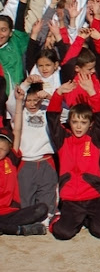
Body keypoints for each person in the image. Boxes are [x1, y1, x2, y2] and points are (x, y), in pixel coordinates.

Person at [47, 76, 100, 240]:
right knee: (63, 233)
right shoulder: (63, 140)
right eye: (75, 122)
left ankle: (88, 219)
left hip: (94, 195)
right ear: (69, 122)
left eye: (83, 123)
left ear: (89, 124)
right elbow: (53, 118)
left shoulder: (94, 139)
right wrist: (59, 93)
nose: (78, 126)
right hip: (72, 198)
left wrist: (92, 92)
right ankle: (64, 217)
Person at [0, 97, 48, 236]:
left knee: (41, 209)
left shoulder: (11, 160)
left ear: (9, 149)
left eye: (2, 149)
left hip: (9, 212)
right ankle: (20, 230)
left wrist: (20, 102)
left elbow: (18, 131)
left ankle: (5, 228)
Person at [15, 81, 57, 226]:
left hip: (46, 160)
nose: (32, 104)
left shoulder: (46, 110)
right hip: (26, 162)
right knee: (26, 201)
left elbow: (66, 112)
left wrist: (50, 97)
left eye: (35, 100)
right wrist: (26, 84)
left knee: (48, 197)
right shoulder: (19, 112)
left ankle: (47, 220)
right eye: (29, 100)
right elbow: (12, 102)